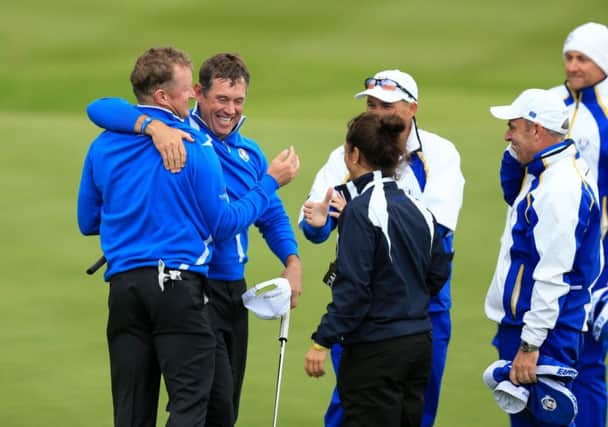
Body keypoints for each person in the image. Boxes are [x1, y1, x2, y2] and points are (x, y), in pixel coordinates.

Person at [77, 47, 299, 427]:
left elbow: (89, 220)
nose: (230, 109)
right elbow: (225, 223)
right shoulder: (192, 142)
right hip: (193, 288)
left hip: (203, 290)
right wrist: (270, 182)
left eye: (238, 101)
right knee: (200, 406)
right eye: (218, 98)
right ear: (196, 92)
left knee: (195, 408)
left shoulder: (248, 152)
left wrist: (292, 259)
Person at [299, 69, 464, 427]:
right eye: (372, 105)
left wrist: (356, 211)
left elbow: (436, 233)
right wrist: (322, 222)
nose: (376, 113)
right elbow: (315, 220)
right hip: (361, 314)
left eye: (386, 106)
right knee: (350, 408)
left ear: (412, 108)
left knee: (417, 411)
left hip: (423, 310)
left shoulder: (440, 154)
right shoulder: (344, 154)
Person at [499, 22, 608, 427]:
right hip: (558, 245)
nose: (574, 65)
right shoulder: (550, 104)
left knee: (588, 365)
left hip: (588, 260)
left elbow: (555, 268)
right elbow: (515, 190)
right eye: (570, 57)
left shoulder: (563, 178)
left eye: (584, 58)